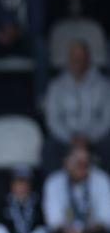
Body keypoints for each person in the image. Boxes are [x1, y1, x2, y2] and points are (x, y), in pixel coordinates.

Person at [42, 40, 110, 171]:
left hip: (95, 138)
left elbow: (107, 119)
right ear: (69, 59)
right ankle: (52, 189)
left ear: (89, 59)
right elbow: (53, 120)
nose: (78, 61)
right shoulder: (56, 86)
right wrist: (71, 139)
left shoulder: (104, 85)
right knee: (49, 149)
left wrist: (88, 138)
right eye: (74, 57)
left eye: (82, 57)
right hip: (66, 138)